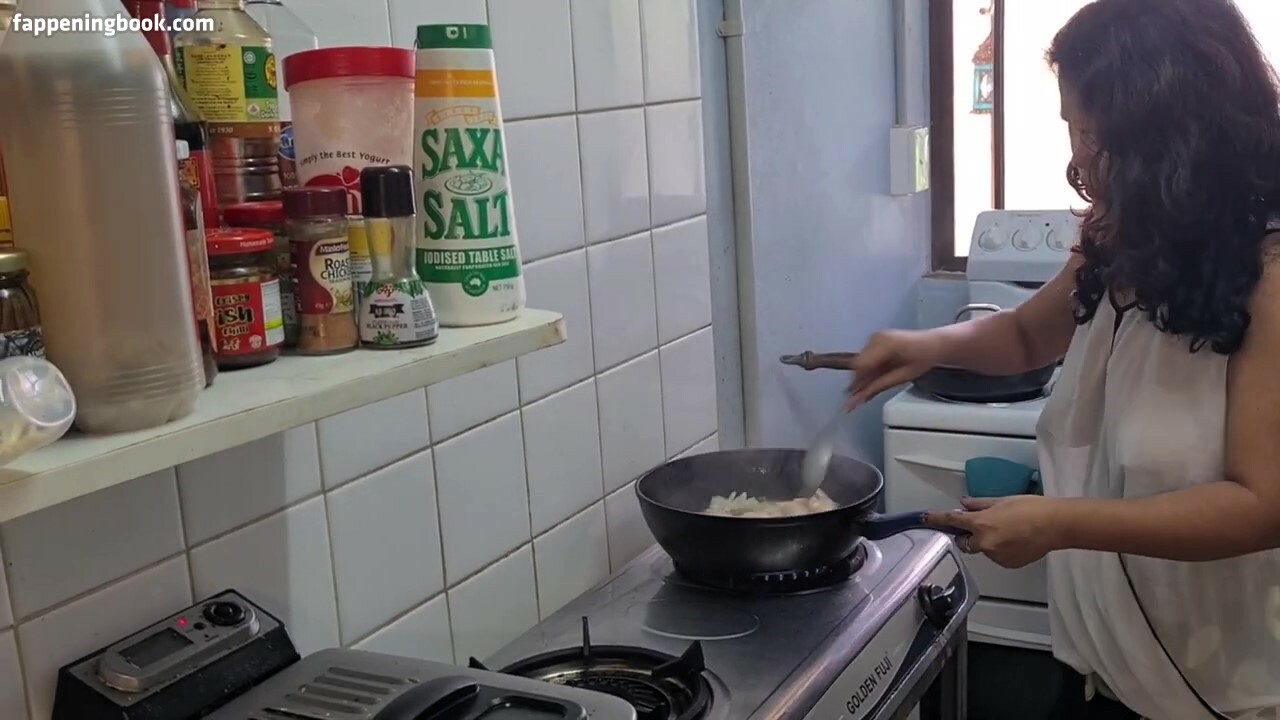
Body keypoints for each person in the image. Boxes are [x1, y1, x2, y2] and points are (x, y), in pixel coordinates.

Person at [846, 0, 1280, 718]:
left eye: (1089, 133)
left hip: (1220, 690)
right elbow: (1027, 336)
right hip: (1107, 666)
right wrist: (924, 347)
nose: (1077, 158)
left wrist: (1060, 523)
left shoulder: (1270, 272)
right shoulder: (1124, 233)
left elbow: (1263, 506)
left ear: (1163, 130)